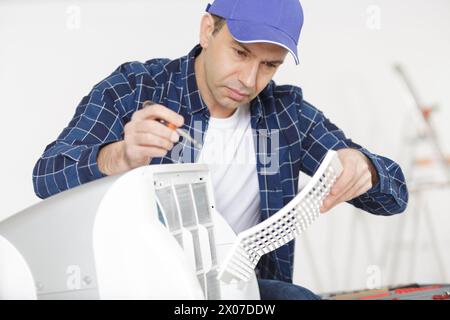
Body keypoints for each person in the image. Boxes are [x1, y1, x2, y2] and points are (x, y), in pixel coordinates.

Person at [32, 0, 408, 300]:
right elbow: (46, 175)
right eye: (240, 53)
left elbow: (394, 196)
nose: (249, 80)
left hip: (239, 294)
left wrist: (366, 169)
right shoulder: (135, 87)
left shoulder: (287, 115)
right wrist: (120, 156)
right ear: (207, 30)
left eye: (269, 65)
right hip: (140, 284)